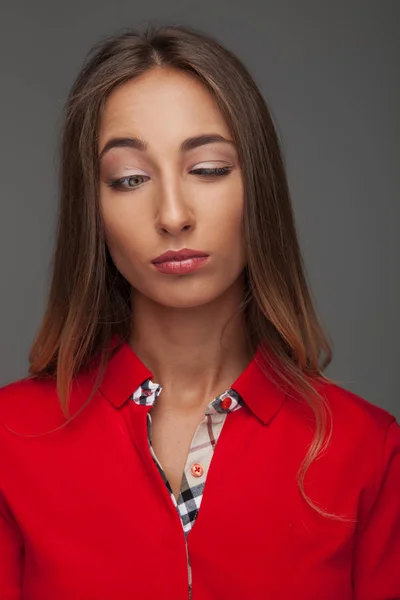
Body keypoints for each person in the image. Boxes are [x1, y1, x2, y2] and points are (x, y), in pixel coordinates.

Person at [0, 22, 399, 600]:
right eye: (129, 178)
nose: (172, 214)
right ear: (94, 209)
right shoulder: (10, 440)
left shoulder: (367, 451)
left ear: (257, 187)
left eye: (208, 169)